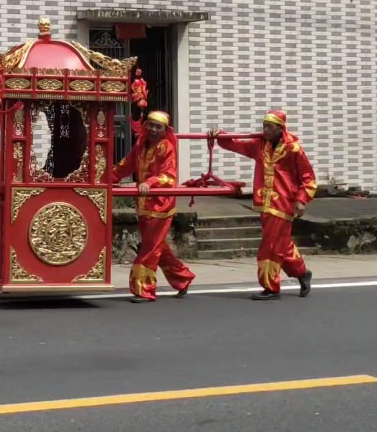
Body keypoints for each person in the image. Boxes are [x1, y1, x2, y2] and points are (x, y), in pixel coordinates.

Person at [209, 110, 315, 300]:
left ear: (280, 129)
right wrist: (222, 136)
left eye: (269, 126)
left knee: (270, 245)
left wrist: (301, 199)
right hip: (264, 202)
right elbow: (237, 146)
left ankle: (271, 286)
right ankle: (302, 272)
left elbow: (308, 177)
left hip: (283, 203)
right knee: (280, 243)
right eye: (264, 125)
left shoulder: (293, 149)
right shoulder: (260, 145)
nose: (265, 129)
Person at [111, 111, 194, 303]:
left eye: (158, 127)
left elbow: (168, 176)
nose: (153, 129)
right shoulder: (141, 144)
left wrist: (150, 182)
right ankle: (183, 278)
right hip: (144, 204)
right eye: (151, 125)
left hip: (160, 205)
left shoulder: (167, 147)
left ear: (165, 130)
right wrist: (106, 179)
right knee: (157, 246)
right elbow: (126, 165)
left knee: (149, 248)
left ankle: (144, 289)